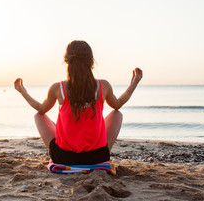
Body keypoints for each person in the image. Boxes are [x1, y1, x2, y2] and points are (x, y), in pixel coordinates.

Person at [14, 40, 143, 165]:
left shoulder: (58, 88)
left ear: (67, 60)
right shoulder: (103, 86)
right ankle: (102, 152)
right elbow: (118, 103)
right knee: (117, 114)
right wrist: (134, 83)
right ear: (91, 61)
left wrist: (23, 92)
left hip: (63, 157)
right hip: (97, 157)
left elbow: (40, 109)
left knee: (39, 116)